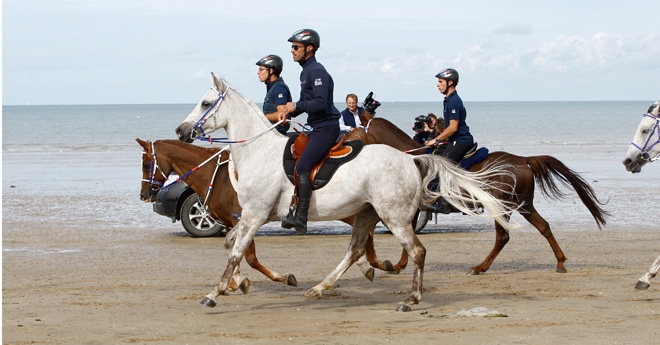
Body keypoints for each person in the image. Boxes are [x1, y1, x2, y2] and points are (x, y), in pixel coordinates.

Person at [278, 28, 341, 235]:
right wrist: (290, 113)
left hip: (326, 129)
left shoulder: (316, 71)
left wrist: (295, 106)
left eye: (295, 47)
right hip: (316, 127)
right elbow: (308, 104)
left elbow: (321, 103)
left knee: (302, 166)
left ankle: (302, 217)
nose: (292, 51)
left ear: (309, 48)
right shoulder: (306, 71)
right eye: (292, 47)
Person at [425, 68, 474, 213]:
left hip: (462, 141)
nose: (437, 85)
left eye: (440, 82)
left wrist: (436, 139)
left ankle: (445, 203)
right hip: (454, 140)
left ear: (450, 82)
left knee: (442, 166)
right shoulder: (448, 100)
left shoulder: (454, 101)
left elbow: (453, 128)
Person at [256, 54, 291, 135]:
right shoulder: (272, 87)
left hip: (276, 135)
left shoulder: (278, 88)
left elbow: (281, 115)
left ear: (271, 71)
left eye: (261, 69)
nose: (258, 72)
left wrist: (262, 117)